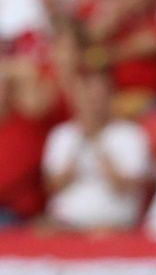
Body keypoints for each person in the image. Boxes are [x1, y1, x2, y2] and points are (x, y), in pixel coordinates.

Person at [42, 71, 150, 230]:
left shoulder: (130, 134)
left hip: (112, 223)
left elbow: (127, 187)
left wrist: (98, 142)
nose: (91, 103)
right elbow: (52, 187)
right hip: (65, 223)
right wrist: (79, 144)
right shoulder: (62, 135)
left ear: (110, 97)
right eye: (86, 97)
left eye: (97, 97)